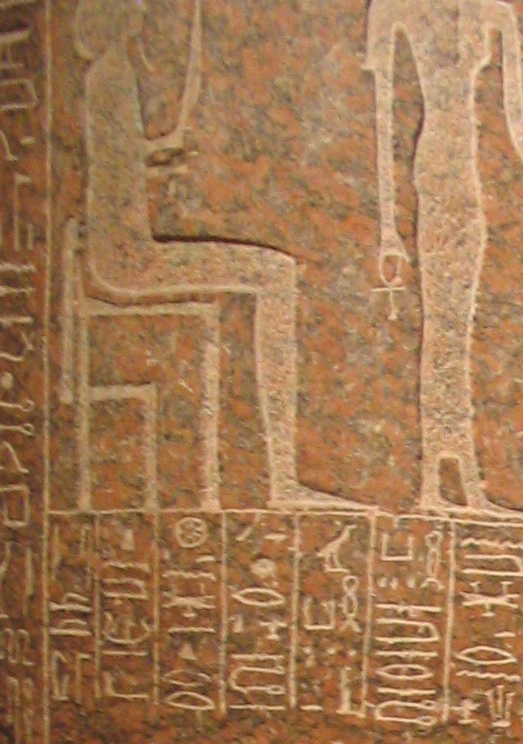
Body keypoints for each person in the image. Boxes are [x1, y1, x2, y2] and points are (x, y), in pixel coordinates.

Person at [74, 0, 357, 507]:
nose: (144, 14)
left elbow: (117, 166)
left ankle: (282, 477)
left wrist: (156, 156)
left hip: (121, 245)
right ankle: (282, 479)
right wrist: (155, 154)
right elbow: (114, 178)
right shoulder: (112, 78)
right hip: (129, 256)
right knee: (274, 274)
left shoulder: (109, 75)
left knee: (271, 271)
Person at [365, 0, 523, 510]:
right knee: (440, 325)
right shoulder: (395, 9)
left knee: (457, 327)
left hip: (467, 182)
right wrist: (387, 229)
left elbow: (516, 124)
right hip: (435, 171)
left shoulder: (495, 14)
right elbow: (384, 119)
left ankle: (460, 475)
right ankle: (436, 476)